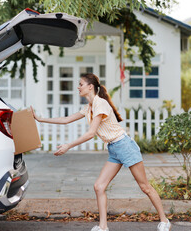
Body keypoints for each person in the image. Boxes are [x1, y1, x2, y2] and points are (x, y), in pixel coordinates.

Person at [31, 73, 171, 231]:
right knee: (99, 186)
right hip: (114, 149)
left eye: (81, 84)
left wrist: (68, 146)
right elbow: (66, 120)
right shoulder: (89, 107)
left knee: (145, 187)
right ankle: (103, 226)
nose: (78, 87)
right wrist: (40, 120)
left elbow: (91, 133)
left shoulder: (100, 104)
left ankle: (165, 221)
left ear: (90, 87)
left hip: (124, 146)